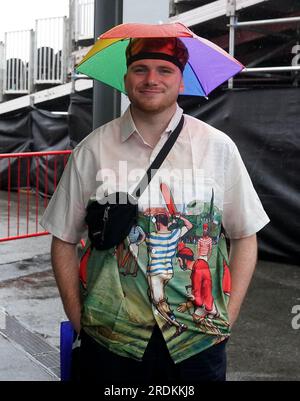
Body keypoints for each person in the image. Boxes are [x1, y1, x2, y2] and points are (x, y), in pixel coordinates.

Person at [41, 34, 269, 383]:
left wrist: (227, 316)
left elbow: (245, 235)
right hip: (109, 340)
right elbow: (62, 239)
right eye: (140, 69)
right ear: (125, 78)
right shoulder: (92, 151)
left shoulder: (217, 148)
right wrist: (79, 319)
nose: (151, 79)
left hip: (196, 344)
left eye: (165, 70)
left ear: (181, 80)